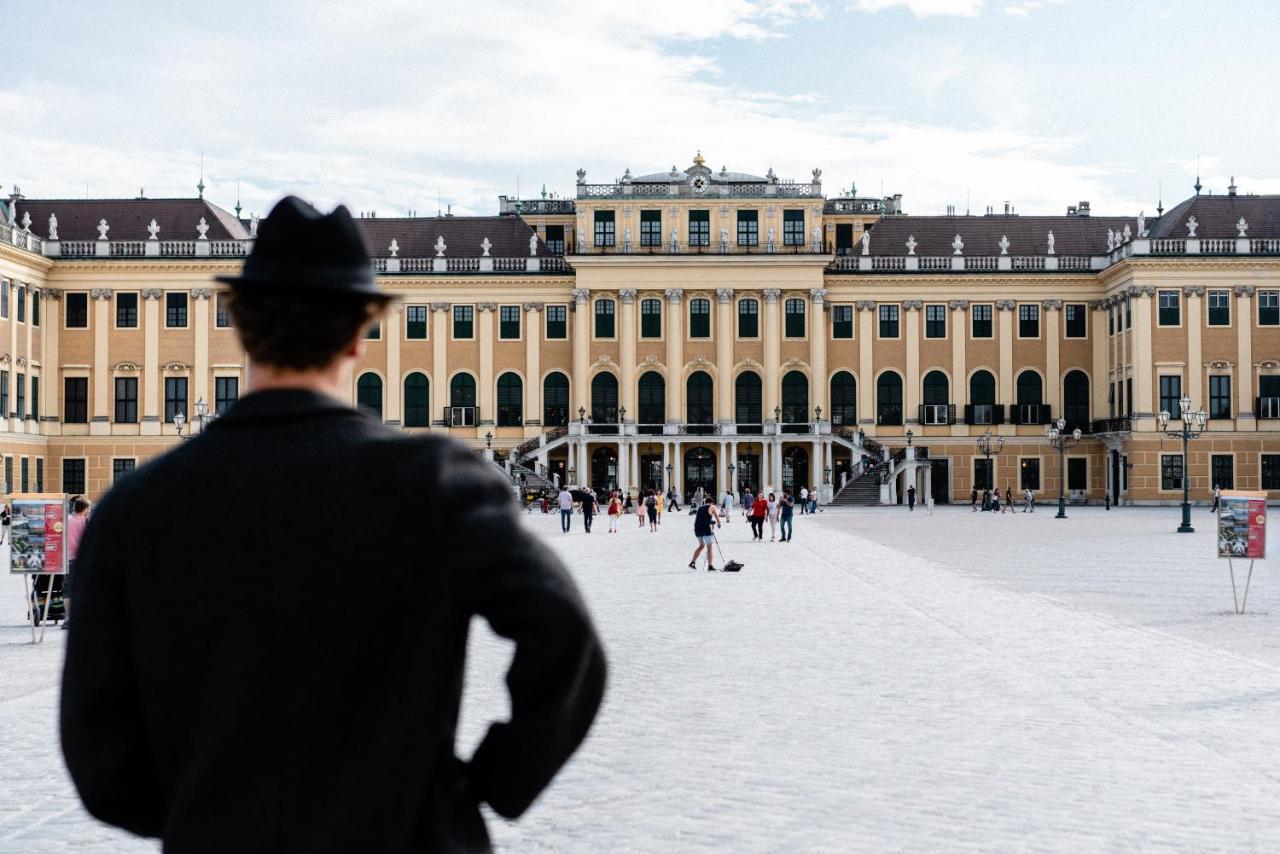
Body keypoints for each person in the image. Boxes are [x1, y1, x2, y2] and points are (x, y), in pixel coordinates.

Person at [60, 197, 606, 853]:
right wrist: (479, 786)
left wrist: (205, 808)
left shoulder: (134, 508)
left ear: (238, 324)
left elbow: (96, 747)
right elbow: (567, 642)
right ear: (358, 334)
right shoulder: (437, 486)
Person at [61, 497, 90, 628]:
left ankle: (68, 618)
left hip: (68, 559)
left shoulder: (66, 520)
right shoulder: (87, 522)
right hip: (83, 559)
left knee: (68, 589)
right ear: (85, 509)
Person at [688, 497, 722, 571]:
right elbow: (716, 516)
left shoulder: (700, 508)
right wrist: (719, 524)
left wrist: (710, 521)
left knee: (701, 545)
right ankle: (710, 566)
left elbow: (702, 518)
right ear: (711, 502)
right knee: (709, 548)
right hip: (706, 529)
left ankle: (692, 562)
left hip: (697, 528)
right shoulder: (712, 506)